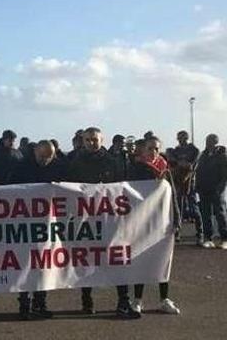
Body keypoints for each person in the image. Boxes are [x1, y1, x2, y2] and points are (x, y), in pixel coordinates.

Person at [65, 127, 136, 318]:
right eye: (87, 140)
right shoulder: (74, 162)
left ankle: (124, 300)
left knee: (117, 258)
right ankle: (86, 300)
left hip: (109, 219)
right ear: (83, 141)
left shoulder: (112, 162)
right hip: (85, 220)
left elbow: (123, 187)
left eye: (95, 140)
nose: (91, 143)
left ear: (101, 140)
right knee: (86, 259)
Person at [127, 137, 181, 315]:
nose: (154, 152)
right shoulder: (135, 169)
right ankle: (138, 300)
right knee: (141, 259)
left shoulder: (164, 167)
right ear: (143, 150)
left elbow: (173, 193)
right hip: (142, 219)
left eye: (157, 149)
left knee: (164, 259)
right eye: (150, 149)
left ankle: (164, 299)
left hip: (163, 219)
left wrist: (177, 218)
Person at [13, 141, 64, 319]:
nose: (45, 160)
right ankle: (24, 304)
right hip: (25, 222)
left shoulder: (58, 166)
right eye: (42, 156)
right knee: (26, 263)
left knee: (45, 263)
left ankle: (40, 303)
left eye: (49, 157)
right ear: (35, 152)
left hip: (48, 223)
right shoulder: (21, 167)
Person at [169, 131, 202, 245]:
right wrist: (178, 162)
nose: (181, 140)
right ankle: (177, 232)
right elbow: (172, 162)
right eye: (179, 138)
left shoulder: (194, 150)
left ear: (187, 138)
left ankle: (200, 233)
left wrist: (185, 165)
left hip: (190, 182)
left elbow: (192, 165)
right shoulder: (175, 151)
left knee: (193, 207)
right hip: (178, 182)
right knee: (178, 208)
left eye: (183, 137)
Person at [195, 134, 227, 249]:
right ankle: (208, 238)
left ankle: (224, 238)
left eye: (211, 141)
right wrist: (197, 186)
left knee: (220, 214)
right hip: (204, 189)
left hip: (217, 190)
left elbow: (224, 175)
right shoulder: (203, 155)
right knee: (206, 214)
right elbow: (198, 172)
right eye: (207, 141)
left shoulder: (222, 156)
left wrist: (220, 188)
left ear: (216, 142)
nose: (208, 143)